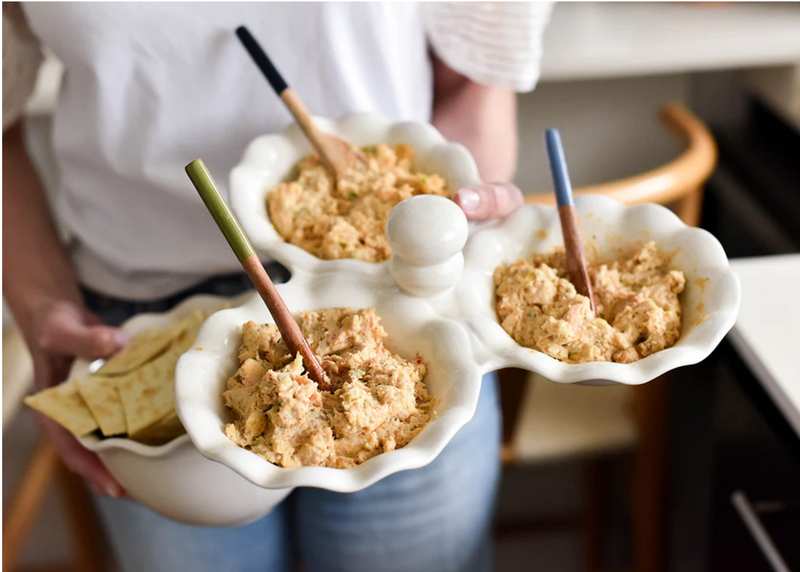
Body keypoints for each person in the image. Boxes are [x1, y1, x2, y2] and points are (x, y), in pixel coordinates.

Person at [3, 3, 552, 571]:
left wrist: (456, 217)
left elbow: (473, 90)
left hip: (399, 327)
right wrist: (41, 304)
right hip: (138, 332)